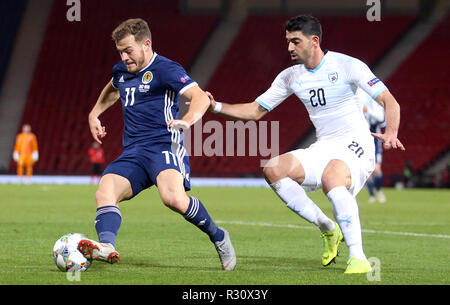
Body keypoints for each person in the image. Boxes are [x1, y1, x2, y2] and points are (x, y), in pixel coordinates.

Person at [206, 15, 404, 274]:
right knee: (274, 169)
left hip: (357, 144)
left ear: (314, 41)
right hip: (324, 146)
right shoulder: (290, 76)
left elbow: (390, 101)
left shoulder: (347, 65)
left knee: (332, 176)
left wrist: (391, 132)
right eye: (287, 41)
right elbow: (255, 110)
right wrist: (216, 106)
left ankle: (358, 257)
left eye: (295, 41)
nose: (289, 47)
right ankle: (328, 228)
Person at [78, 18, 236, 271]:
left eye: (128, 50)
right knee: (105, 190)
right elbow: (113, 89)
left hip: (164, 145)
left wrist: (187, 120)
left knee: (173, 198)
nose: (124, 57)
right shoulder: (122, 70)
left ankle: (218, 236)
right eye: (120, 51)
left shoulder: (166, 69)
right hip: (133, 151)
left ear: (146, 44)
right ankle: (107, 246)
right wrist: (93, 114)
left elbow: (199, 98)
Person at [360, 90, 386, 203]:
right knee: (366, 170)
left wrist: (367, 111)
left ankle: (379, 191)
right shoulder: (358, 97)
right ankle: (372, 195)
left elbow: (381, 119)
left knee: (376, 169)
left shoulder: (375, 100)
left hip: (375, 138)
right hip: (361, 137)